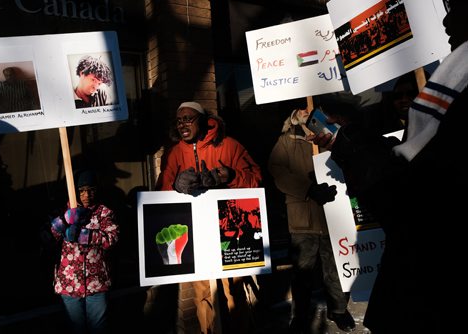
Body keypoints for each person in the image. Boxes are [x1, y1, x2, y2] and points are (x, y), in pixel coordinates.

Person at [327, 1, 468, 332]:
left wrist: (358, 150)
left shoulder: (457, 102)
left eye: (459, 4)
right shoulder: (450, 93)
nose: (447, 19)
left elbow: (418, 209)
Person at [156, 101, 262, 334]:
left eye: (189, 118)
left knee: (233, 288)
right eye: (179, 120)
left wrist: (231, 176)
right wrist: (176, 185)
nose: (183, 123)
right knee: (202, 293)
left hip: (230, 231)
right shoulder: (174, 154)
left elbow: (256, 179)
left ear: (204, 120)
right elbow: (161, 194)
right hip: (196, 232)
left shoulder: (229, 146)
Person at [268, 105, 356, 334]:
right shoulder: (287, 140)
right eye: (301, 108)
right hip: (302, 218)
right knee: (303, 272)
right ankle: (300, 315)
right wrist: (307, 188)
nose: (306, 111)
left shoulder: (332, 137)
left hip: (332, 215)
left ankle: (338, 309)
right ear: (293, 116)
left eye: (310, 108)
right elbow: (276, 170)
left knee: (335, 268)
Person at [50, 169, 119, 334]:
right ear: (74, 192)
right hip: (69, 284)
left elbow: (112, 238)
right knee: (76, 329)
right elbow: (47, 236)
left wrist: (84, 235)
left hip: (97, 283)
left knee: (99, 328)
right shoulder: (63, 211)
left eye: (91, 189)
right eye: (81, 191)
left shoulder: (103, 212)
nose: (86, 195)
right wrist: (63, 221)